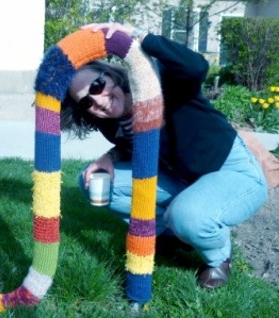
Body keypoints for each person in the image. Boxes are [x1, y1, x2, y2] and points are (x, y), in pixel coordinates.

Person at [61, 22, 268, 289]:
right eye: (87, 101)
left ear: (110, 74)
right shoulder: (109, 121)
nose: (98, 100)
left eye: (98, 85)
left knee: (187, 216)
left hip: (229, 171)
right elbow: (133, 145)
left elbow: (196, 67)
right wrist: (108, 159)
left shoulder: (159, 83)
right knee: (94, 182)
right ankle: (167, 233)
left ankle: (218, 256)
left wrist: (138, 37)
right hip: (182, 178)